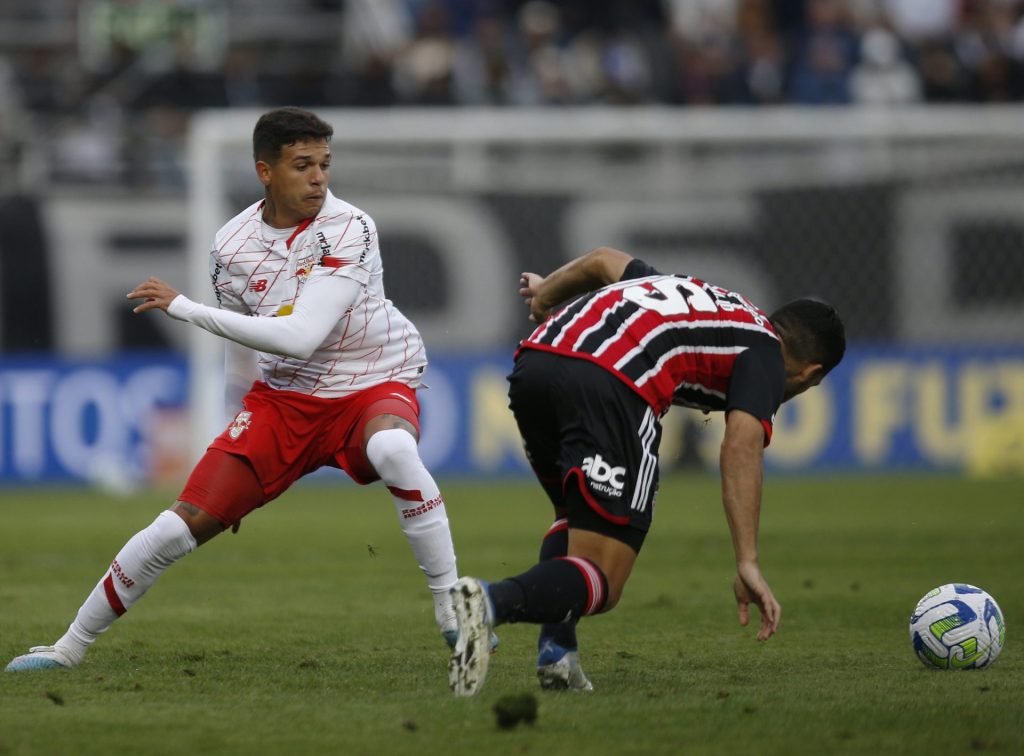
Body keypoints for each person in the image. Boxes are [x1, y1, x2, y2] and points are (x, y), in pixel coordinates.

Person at [7, 107, 465, 672]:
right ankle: (68, 647)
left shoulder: (351, 226)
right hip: (284, 399)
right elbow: (245, 348)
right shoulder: (231, 245)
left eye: (324, 164)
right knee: (178, 528)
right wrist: (234, 426)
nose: (319, 177)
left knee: (394, 450)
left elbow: (301, 336)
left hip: (372, 377)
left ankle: (452, 608)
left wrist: (186, 308)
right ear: (264, 171)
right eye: (303, 165)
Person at [447, 246, 845, 696]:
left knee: (575, 520)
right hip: (610, 381)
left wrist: (545, 295)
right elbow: (741, 446)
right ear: (811, 374)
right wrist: (747, 561)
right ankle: (489, 602)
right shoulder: (766, 354)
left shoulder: (705, 300)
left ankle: (558, 655)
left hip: (536, 363)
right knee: (606, 577)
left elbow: (603, 261)